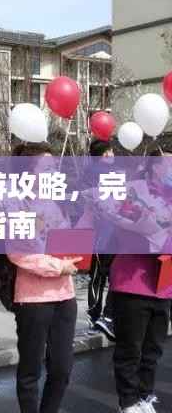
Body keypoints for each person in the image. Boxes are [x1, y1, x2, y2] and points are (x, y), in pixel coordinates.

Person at [6, 143, 82, 413]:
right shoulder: (15, 204)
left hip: (64, 296)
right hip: (33, 299)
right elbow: (18, 253)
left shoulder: (58, 202)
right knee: (31, 366)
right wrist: (57, 266)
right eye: (46, 167)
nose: (53, 171)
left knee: (62, 365)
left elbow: (68, 241)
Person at [104, 148, 172, 413]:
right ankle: (127, 405)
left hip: (163, 285)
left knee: (153, 350)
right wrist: (146, 229)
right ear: (154, 167)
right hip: (133, 281)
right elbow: (118, 225)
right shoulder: (133, 191)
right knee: (130, 349)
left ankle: (145, 398)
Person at [84, 140, 116, 340]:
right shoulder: (101, 173)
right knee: (105, 277)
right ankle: (103, 317)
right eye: (111, 151)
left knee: (97, 278)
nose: (113, 155)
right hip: (105, 234)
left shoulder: (89, 173)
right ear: (104, 154)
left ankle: (97, 317)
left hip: (103, 234)